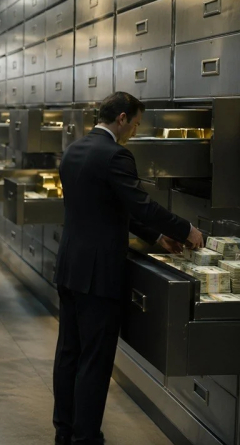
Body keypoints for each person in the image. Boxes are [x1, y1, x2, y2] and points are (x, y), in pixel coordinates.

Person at [52, 92, 204, 445]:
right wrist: (186, 229)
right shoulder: (116, 155)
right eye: (135, 124)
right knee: (95, 359)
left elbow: (108, 207)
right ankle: (86, 437)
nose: (135, 132)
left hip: (70, 266)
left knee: (69, 353)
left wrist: (157, 236)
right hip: (98, 274)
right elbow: (140, 205)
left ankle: (64, 430)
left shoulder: (73, 150)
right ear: (121, 118)